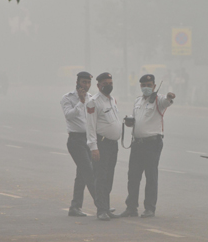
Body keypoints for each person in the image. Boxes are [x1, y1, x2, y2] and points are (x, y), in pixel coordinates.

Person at [121, 74, 176, 218]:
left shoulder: (159, 100)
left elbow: (167, 100)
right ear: (140, 86)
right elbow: (136, 119)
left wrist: (170, 96)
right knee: (133, 176)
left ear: (154, 86)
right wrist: (129, 123)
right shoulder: (138, 101)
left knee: (150, 176)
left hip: (152, 143)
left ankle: (150, 208)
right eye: (144, 85)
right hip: (137, 143)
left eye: (149, 85)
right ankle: (131, 207)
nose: (146, 87)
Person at [60, 71, 98, 217]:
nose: (86, 86)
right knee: (88, 171)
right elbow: (69, 115)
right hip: (76, 140)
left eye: (88, 83)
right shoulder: (67, 98)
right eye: (83, 82)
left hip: (89, 139)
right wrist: (81, 102)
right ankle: (101, 203)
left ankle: (75, 207)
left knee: (82, 174)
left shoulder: (91, 98)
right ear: (77, 82)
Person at [86, 72, 122, 221]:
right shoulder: (93, 102)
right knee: (101, 177)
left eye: (110, 83)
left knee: (109, 177)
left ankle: (107, 208)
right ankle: (101, 210)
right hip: (101, 144)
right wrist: (94, 147)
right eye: (105, 83)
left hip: (112, 144)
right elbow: (90, 126)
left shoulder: (112, 99)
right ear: (98, 85)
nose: (108, 85)